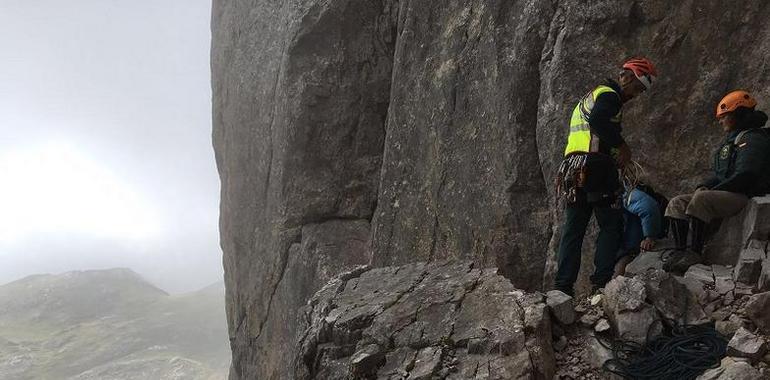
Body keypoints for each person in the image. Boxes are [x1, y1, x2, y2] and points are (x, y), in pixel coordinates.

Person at [554, 58, 657, 296]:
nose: (637, 95)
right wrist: (622, 148)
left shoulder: (593, 96)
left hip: (573, 167)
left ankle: (562, 287)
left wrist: (614, 150)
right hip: (596, 166)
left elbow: (593, 132)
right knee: (610, 225)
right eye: (639, 88)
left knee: (574, 228)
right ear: (629, 77)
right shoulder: (610, 97)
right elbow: (598, 122)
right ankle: (601, 284)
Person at [664, 90, 770, 272]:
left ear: (738, 114)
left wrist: (710, 191)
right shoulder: (735, 140)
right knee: (677, 202)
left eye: (724, 116)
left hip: (743, 194)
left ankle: (694, 253)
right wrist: (703, 186)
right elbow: (723, 174)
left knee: (702, 199)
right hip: (729, 191)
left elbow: (746, 174)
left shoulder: (753, 139)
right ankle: (680, 250)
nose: (721, 121)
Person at [614, 183, 667, 277]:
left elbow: (648, 207)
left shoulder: (630, 195)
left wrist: (649, 237)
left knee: (625, 256)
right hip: (632, 242)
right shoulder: (624, 194)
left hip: (634, 245)